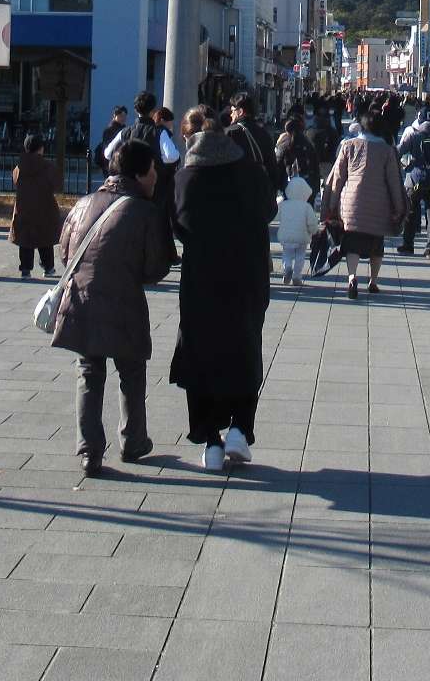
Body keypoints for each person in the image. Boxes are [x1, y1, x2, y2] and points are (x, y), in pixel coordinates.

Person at [50, 138, 175, 476]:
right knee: (131, 372)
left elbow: (65, 253)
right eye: (153, 171)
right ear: (138, 173)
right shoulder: (145, 212)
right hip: (125, 303)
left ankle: (90, 451)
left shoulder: (83, 203)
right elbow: (156, 268)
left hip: (81, 301)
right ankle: (133, 440)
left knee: (89, 373)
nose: (156, 178)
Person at [171, 108, 273, 470]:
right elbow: (268, 211)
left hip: (202, 279)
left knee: (200, 354)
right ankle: (240, 431)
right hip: (247, 275)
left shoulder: (186, 178)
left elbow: (180, 226)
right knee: (244, 348)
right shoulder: (250, 172)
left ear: (190, 139)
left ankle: (210, 442)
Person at [325, 111, 408, 299]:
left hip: (351, 203)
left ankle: (352, 277)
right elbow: (394, 181)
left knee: (352, 243)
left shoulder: (348, 146)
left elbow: (337, 178)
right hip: (379, 204)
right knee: (376, 244)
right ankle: (373, 281)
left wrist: (331, 204)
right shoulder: (387, 151)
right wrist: (398, 207)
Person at [10, 133, 62, 277]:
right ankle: (48, 267)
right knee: (45, 238)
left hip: (24, 208)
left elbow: (15, 181)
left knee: (25, 239)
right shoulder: (47, 166)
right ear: (41, 149)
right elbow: (56, 184)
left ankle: (25, 269)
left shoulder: (19, 167)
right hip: (45, 207)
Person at [396, 110, 430, 257]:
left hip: (414, 180)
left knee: (410, 213)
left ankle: (408, 245)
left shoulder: (414, 136)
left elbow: (397, 152)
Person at [226, 92, 285, 211]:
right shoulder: (264, 134)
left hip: (235, 198)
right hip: (259, 199)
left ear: (240, 111)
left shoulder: (230, 133)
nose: (231, 114)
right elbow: (272, 169)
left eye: (232, 110)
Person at [275, 172, 315, 287]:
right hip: (302, 237)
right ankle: (297, 276)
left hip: (286, 236)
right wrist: (314, 231)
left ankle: (287, 267)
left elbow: (276, 215)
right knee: (300, 257)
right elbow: (312, 223)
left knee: (286, 254)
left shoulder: (284, 204)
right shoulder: (307, 207)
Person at [93, 105, 129, 177]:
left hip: (120, 162)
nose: (124, 118)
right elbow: (106, 148)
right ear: (115, 115)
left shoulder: (124, 128)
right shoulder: (109, 130)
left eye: (125, 116)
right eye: (121, 116)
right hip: (111, 163)